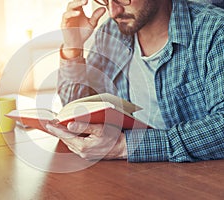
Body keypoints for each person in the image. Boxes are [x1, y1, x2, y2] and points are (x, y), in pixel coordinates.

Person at [45, 0, 224, 162]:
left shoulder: (215, 31)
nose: (113, 11)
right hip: (134, 175)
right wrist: (73, 47)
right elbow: (77, 110)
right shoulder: (112, 33)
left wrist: (127, 147)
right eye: (105, 0)